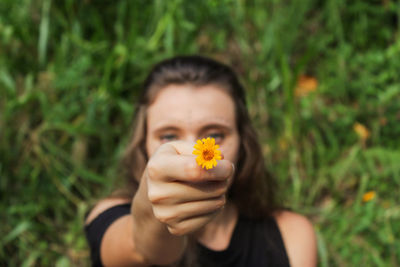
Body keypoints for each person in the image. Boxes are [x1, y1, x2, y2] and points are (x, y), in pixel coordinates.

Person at [84, 55, 317, 267]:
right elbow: (140, 248)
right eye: (168, 136)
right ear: (143, 144)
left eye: (215, 135)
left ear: (243, 143)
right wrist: (152, 212)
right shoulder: (110, 216)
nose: (192, 153)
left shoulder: (290, 234)